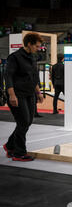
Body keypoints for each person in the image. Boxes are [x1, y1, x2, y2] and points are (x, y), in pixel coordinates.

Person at [3, 33, 44, 162]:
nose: (38, 48)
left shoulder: (32, 57)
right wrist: (11, 95)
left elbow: (34, 77)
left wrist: (38, 93)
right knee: (23, 122)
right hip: (17, 94)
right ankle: (19, 153)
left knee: (28, 121)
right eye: (36, 46)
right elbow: (8, 76)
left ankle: (10, 146)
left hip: (30, 94)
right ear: (29, 44)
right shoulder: (14, 57)